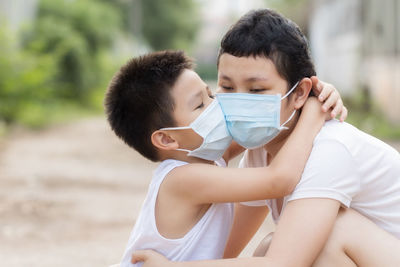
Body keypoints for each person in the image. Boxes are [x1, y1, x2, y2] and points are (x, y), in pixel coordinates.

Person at [131, 9, 400, 267]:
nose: (239, 100)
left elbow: (285, 264)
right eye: (226, 87)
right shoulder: (260, 148)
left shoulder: (330, 150)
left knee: (327, 237)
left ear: (299, 94)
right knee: (269, 247)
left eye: (256, 89)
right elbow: (222, 250)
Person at [104, 50, 344, 267]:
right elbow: (279, 180)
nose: (216, 105)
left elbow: (262, 127)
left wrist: (303, 95)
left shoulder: (203, 156)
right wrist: (314, 110)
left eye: (210, 94)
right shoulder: (181, 179)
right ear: (167, 140)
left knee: (271, 246)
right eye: (200, 105)